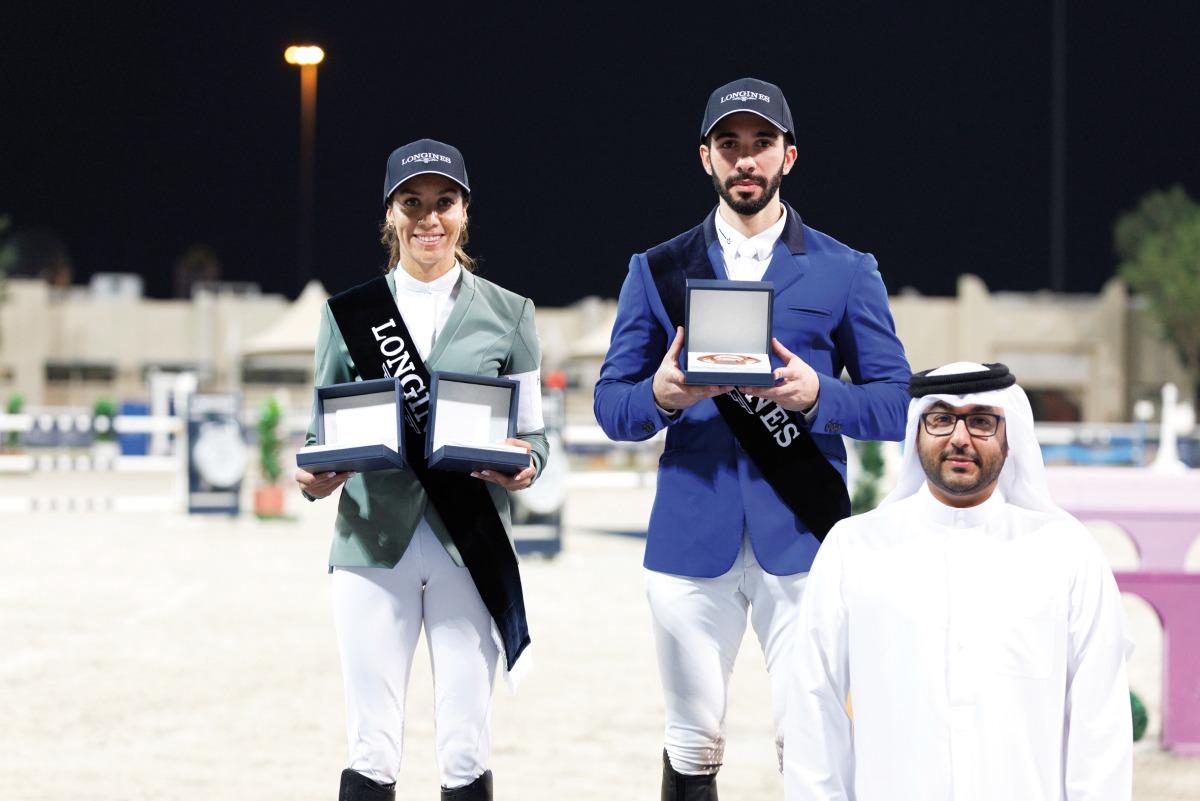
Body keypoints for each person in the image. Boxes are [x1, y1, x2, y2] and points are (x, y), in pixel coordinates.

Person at [593, 77, 911, 799]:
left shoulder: (846, 268)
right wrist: (660, 397)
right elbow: (612, 406)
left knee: (810, 739)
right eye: (729, 145)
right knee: (692, 742)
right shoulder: (656, 269)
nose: (746, 160)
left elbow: (898, 405)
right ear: (705, 157)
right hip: (686, 538)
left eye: (761, 144)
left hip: (803, 539)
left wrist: (819, 395)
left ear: (789, 156)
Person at [295, 138, 548, 801]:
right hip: (373, 546)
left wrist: (527, 465)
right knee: (371, 744)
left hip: (471, 547)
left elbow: (536, 436)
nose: (428, 218)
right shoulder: (346, 315)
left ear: (466, 212)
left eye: (444, 202)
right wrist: (314, 474)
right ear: (390, 214)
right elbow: (321, 432)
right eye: (413, 203)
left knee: (465, 744)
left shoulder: (512, 313)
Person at [783, 362, 1134, 801]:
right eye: (942, 419)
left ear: (1010, 441)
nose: (960, 437)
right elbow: (815, 705)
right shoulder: (854, 549)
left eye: (982, 421)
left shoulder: (1066, 552)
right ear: (917, 434)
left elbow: (1099, 719)